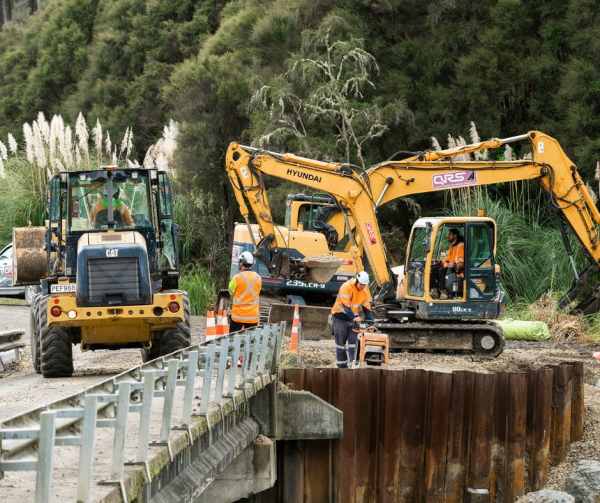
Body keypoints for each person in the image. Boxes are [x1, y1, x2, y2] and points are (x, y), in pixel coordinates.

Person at [330, 271, 373, 368]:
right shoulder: (346, 287)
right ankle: (342, 367)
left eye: (364, 285)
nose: (362, 287)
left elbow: (367, 308)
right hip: (339, 318)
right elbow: (346, 306)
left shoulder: (364, 292)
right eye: (361, 284)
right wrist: (354, 317)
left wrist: (371, 323)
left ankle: (354, 365)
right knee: (340, 344)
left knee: (354, 343)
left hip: (352, 320)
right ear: (356, 281)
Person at [228, 251, 262, 333]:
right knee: (250, 342)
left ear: (242, 262)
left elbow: (230, 292)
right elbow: (258, 291)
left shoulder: (236, 278)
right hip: (252, 317)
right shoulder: (258, 278)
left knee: (233, 340)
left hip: (238, 316)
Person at [430, 228, 464, 299]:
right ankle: (435, 290)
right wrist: (440, 262)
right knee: (434, 269)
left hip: (457, 269)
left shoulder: (461, 245)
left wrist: (455, 264)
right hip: (449, 267)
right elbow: (448, 258)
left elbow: (461, 260)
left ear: (455, 235)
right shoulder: (452, 246)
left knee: (441, 270)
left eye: (450, 234)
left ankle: (443, 292)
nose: (447, 236)